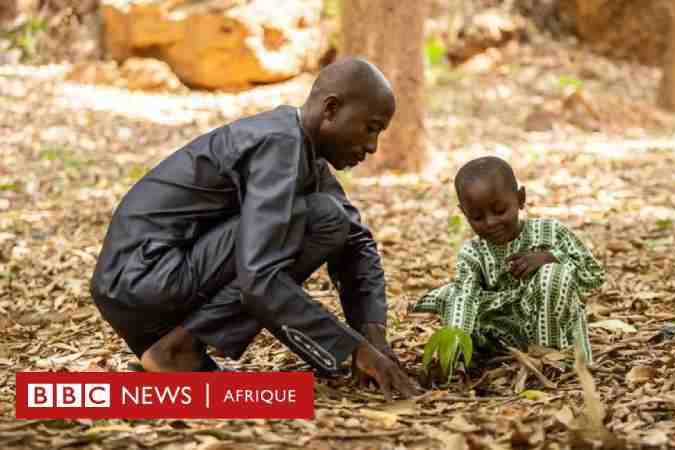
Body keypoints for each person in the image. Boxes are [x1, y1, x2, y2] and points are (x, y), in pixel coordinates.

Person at [90, 57, 417, 400]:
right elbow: (258, 278)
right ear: (331, 110)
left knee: (330, 218)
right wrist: (353, 351)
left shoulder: (301, 149)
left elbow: (356, 243)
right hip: (143, 276)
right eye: (371, 128)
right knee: (321, 218)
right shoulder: (279, 144)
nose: (372, 146)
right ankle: (177, 350)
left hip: (140, 284)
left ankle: (176, 347)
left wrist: (374, 337)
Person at [410, 156, 605, 364]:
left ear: (520, 198)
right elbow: (463, 300)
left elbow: (594, 275)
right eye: (477, 217)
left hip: (557, 334)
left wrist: (550, 257)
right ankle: (472, 359)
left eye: (500, 210)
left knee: (553, 274)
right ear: (464, 213)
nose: (491, 222)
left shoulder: (550, 233)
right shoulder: (473, 253)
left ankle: (553, 358)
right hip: (503, 342)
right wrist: (450, 357)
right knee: (454, 294)